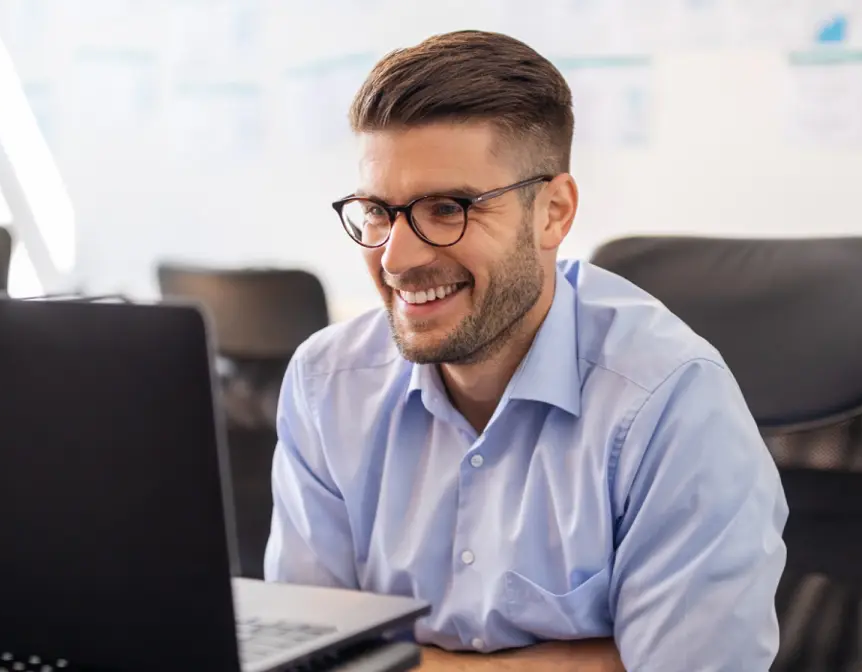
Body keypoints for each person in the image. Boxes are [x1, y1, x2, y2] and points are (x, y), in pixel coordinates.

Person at [264, 30, 788, 671]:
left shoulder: (670, 400)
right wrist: (584, 660)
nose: (396, 258)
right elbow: (307, 659)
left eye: (446, 208)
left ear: (553, 212)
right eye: (377, 211)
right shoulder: (328, 383)